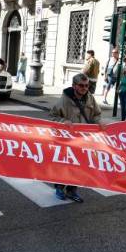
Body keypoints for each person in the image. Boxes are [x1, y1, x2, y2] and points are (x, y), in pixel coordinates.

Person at [49, 73, 105, 203]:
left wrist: (99, 122)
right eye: (81, 85)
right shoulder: (64, 99)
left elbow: (96, 114)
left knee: (80, 166)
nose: (84, 88)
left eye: (87, 86)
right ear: (74, 86)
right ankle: (59, 187)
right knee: (65, 165)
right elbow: (52, 116)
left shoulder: (90, 98)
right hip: (67, 139)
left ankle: (72, 190)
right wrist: (63, 121)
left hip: (84, 140)